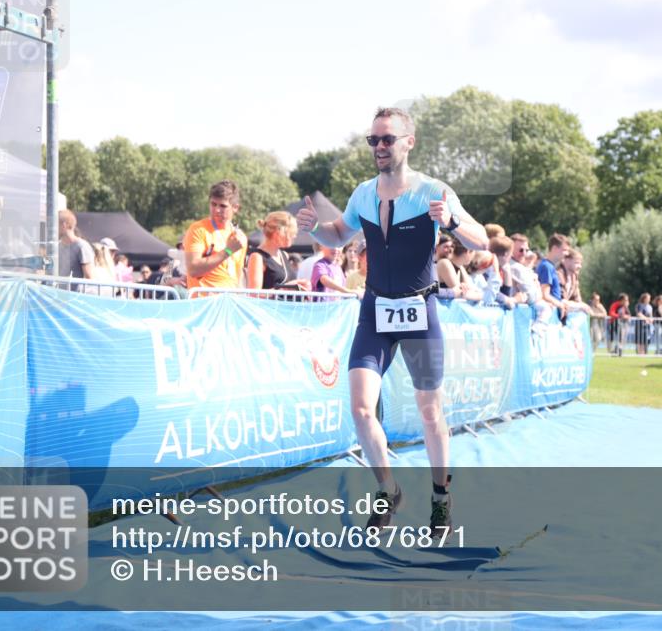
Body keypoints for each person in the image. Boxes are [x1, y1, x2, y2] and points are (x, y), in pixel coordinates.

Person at [295, 106, 488, 538]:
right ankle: (388, 490)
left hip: (419, 310)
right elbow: (337, 235)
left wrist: (452, 222)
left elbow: (481, 239)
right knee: (362, 408)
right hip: (375, 309)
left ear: (408, 142)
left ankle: (441, 497)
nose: (380, 147)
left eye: (387, 139)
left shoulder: (433, 191)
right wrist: (313, 230)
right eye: (374, 140)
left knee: (429, 410)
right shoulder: (363, 193)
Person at [183, 180, 248, 293]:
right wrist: (228, 250)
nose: (217, 210)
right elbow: (193, 269)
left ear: (235, 207)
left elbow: (238, 276)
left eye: (223, 206)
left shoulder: (240, 237)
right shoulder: (198, 229)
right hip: (204, 304)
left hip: (230, 302)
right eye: (213, 204)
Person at [247, 211, 308, 293]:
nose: (294, 236)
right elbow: (254, 294)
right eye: (291, 233)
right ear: (278, 233)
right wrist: (285, 288)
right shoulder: (257, 257)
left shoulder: (284, 255)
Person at [57, 210, 95, 290]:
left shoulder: (82, 246)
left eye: (55, 224)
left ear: (64, 225)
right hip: (58, 296)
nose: (52, 228)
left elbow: (89, 277)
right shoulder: (57, 247)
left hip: (74, 298)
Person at [537, 233, 571, 320]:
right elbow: (545, 295)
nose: (567, 254)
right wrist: (560, 305)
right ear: (555, 248)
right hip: (549, 318)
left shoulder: (550, 266)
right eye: (564, 250)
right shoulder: (547, 267)